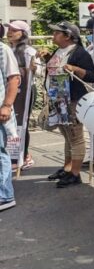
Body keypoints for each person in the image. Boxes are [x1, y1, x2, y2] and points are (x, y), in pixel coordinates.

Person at [45, 21, 94, 188]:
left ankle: (75, 174)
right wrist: (46, 58)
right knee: (67, 135)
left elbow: (92, 76)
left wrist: (75, 69)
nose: (53, 35)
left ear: (68, 36)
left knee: (75, 137)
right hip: (58, 98)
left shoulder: (80, 53)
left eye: (57, 33)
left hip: (72, 100)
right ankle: (67, 168)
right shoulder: (59, 51)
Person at [6, 21, 36, 170]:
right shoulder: (7, 49)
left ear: (23, 33)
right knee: (9, 124)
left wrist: (32, 69)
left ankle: (23, 157)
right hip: (8, 90)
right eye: (9, 29)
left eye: (14, 30)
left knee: (20, 124)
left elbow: (35, 72)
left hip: (24, 90)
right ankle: (13, 155)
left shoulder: (28, 51)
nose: (10, 32)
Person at [0, 36, 20, 212]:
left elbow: (14, 79)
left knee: (0, 153)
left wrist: (6, 105)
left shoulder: (3, 49)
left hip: (0, 110)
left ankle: (5, 195)